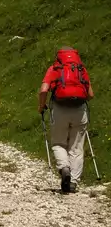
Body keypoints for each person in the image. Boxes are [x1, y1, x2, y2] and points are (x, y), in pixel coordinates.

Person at [38, 46, 94, 193]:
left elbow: (44, 89)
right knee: (76, 147)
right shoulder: (81, 69)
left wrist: (41, 105)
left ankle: (64, 168)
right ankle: (73, 182)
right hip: (80, 110)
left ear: (59, 57)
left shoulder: (55, 68)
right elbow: (91, 94)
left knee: (58, 143)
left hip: (59, 110)